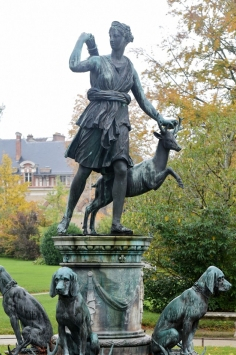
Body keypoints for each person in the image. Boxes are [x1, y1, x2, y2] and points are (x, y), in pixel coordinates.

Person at [57, 21, 177, 235]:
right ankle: (66, 218)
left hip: (120, 121)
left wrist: (160, 118)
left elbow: (142, 99)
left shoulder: (130, 68)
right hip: (96, 119)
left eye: (116, 35)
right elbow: (74, 65)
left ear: (125, 39)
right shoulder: (99, 62)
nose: (112, 39)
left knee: (122, 169)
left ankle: (116, 223)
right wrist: (82, 39)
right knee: (84, 169)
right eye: (110, 35)